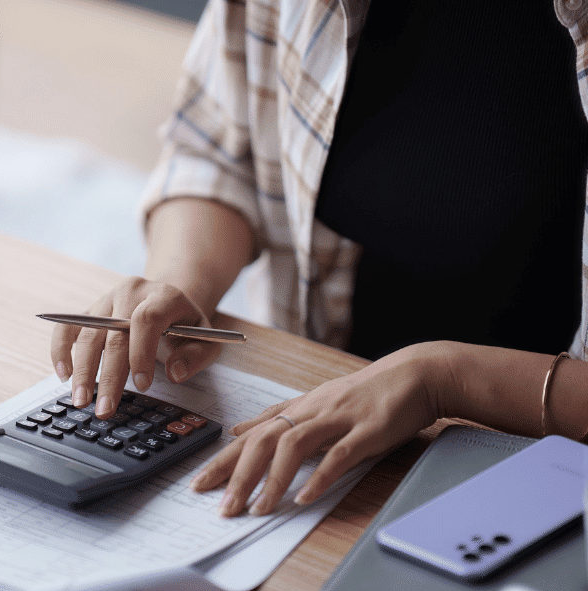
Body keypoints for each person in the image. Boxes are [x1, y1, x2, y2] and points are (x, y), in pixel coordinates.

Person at [50, 0, 588, 518]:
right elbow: (216, 148)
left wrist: (442, 378)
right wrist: (180, 279)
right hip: (323, 400)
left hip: (549, 455)